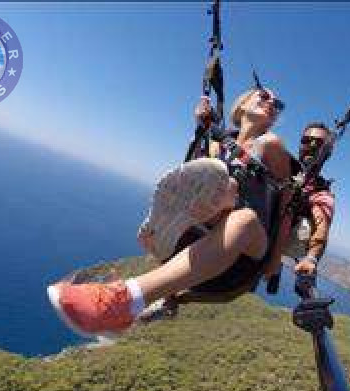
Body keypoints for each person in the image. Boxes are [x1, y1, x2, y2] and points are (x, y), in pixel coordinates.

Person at [47, 87, 294, 338]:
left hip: (248, 253)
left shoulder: (270, 145)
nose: (272, 103)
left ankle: (122, 302)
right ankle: (163, 266)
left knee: (243, 217)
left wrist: (274, 261)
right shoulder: (218, 146)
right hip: (209, 245)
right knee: (211, 181)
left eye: (278, 104)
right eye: (264, 96)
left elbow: (287, 205)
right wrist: (202, 125)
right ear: (241, 106)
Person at [288, 122, 336, 277]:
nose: (312, 145)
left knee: (306, 227)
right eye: (306, 140)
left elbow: (321, 226)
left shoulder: (321, 191)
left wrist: (311, 258)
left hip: (286, 235)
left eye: (319, 143)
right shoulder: (280, 164)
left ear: (328, 153)